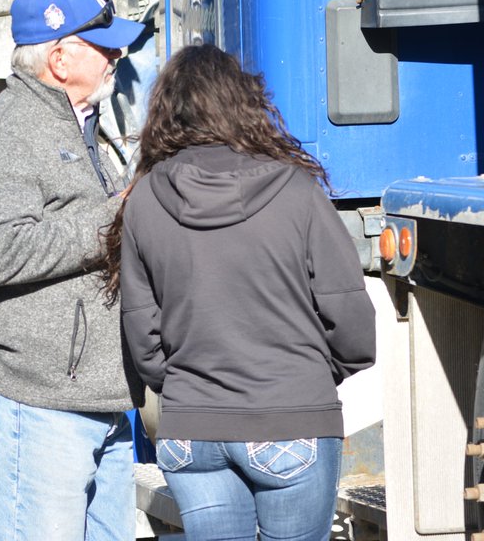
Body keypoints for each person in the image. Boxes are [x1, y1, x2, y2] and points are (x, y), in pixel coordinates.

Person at [105, 44, 377, 541]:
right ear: (243, 104)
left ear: (166, 113)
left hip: (192, 431)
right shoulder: (297, 192)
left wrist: (191, 387)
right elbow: (352, 319)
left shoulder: (143, 201)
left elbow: (141, 336)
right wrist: (314, 376)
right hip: (290, 418)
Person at [0, 0, 146, 541]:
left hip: (94, 398)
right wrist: (118, 215)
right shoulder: (6, 135)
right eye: (105, 44)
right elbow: (4, 253)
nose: (118, 54)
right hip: (39, 407)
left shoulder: (77, 123)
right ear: (60, 58)